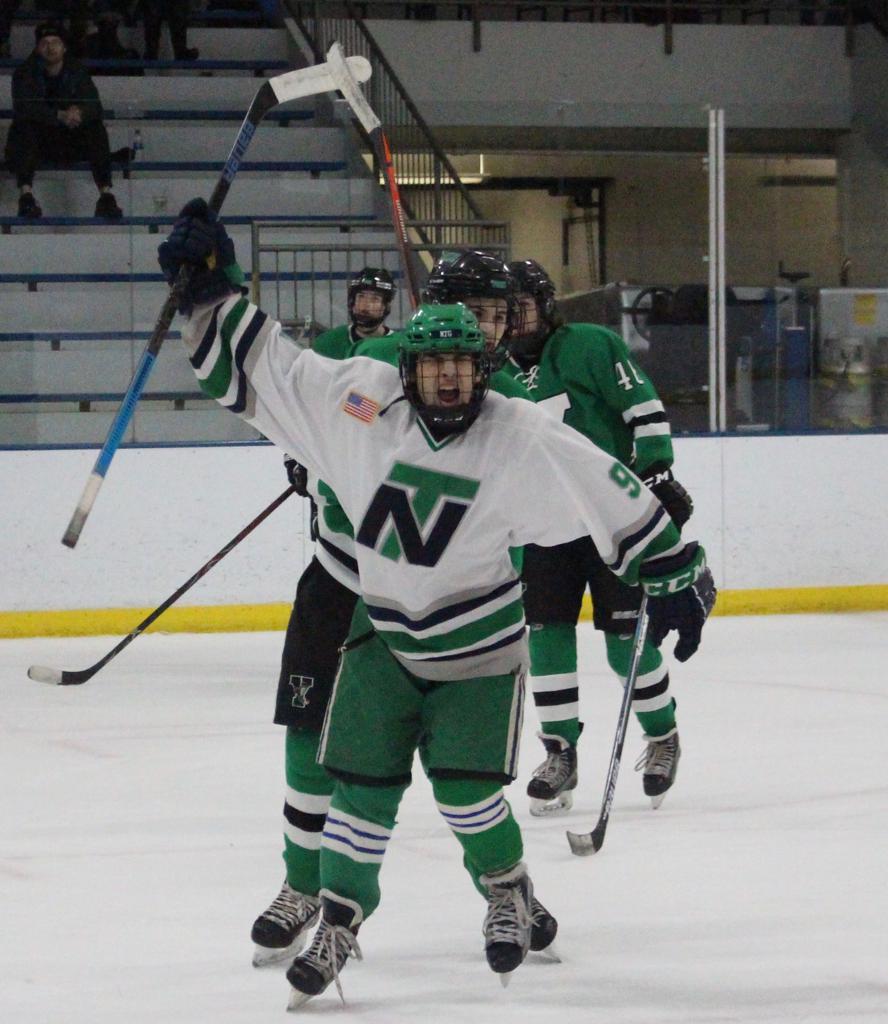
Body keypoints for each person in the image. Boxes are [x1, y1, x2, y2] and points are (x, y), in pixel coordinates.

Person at [157, 203, 716, 1006]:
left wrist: (672, 563)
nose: (476, 343)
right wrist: (215, 295)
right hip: (357, 594)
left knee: (463, 786)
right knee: (334, 756)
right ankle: (316, 894)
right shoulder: (368, 385)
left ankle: (504, 886)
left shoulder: (512, 417)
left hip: (463, 628)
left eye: (494, 318)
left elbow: (593, 480)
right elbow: (286, 384)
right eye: (470, 316)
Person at [503, 258, 695, 815]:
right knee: (547, 639)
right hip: (541, 523)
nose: (516, 319)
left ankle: (662, 734)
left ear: (547, 305)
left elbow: (643, 407)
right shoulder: (491, 369)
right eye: (506, 310)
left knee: (624, 642)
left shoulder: (589, 344)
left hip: (609, 517)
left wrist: (654, 468)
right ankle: (559, 752)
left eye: (524, 306)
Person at [248, 266, 398, 969]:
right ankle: (303, 884)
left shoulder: (465, 395)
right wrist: (303, 450)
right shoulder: (350, 373)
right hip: (336, 579)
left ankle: (503, 883)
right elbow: (325, 407)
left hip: (422, 596)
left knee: (450, 760)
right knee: (307, 727)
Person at [4, 21, 123, 219]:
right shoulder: (25, 72)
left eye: (55, 42)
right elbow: (26, 108)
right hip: (39, 142)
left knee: (95, 128)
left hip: (69, 139)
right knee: (24, 127)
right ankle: (26, 196)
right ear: (37, 48)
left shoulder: (77, 70)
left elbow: (95, 106)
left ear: (64, 47)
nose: (50, 48)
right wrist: (59, 115)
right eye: (45, 43)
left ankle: (106, 196)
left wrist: (79, 112)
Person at [422, 249, 518, 369]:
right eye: (476, 314)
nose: (489, 330)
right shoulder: (404, 372)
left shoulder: (508, 380)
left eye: (499, 317)